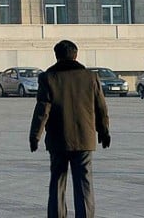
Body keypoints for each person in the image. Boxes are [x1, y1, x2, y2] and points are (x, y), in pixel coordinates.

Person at [30, 40, 110, 218]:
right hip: (84, 138)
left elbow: (43, 110)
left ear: (56, 56)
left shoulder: (48, 78)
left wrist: (35, 136)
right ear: (76, 55)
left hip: (58, 139)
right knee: (84, 183)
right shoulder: (91, 77)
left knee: (57, 182)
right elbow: (101, 108)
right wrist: (103, 132)